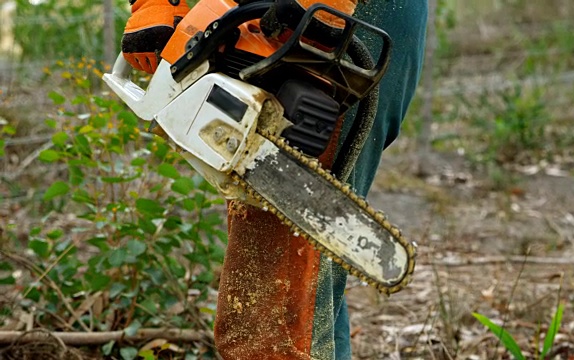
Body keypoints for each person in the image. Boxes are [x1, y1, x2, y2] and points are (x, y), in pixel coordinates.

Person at [121, 0, 427, 358]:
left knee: (269, 319)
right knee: (309, 290)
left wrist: (322, 6)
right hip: (304, 21)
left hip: (336, 18)